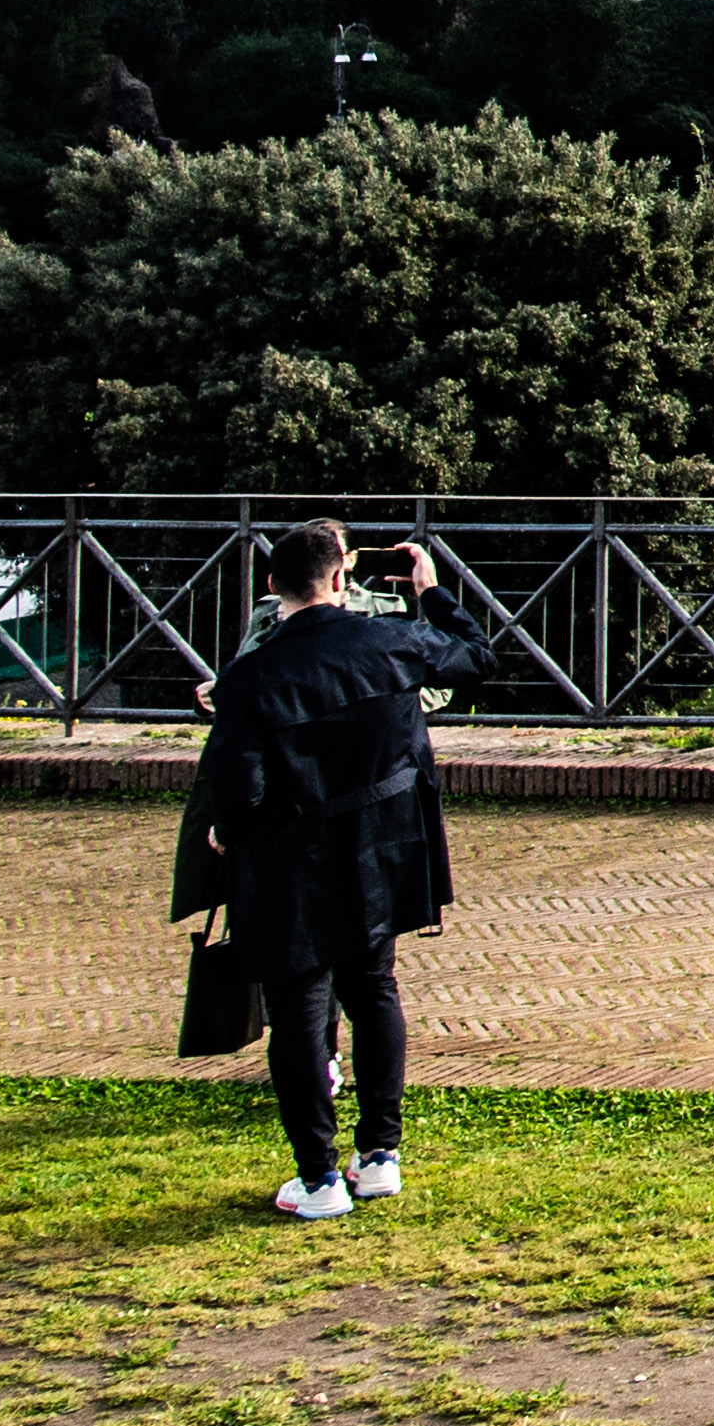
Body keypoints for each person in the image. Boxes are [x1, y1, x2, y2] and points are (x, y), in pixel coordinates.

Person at [174, 514, 490, 1222]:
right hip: (382, 843)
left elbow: (241, 785)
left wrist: (228, 831)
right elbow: (476, 657)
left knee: (299, 1014)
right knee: (374, 988)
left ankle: (318, 1178)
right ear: (342, 577)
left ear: (271, 586)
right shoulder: (390, 638)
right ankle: (379, 1155)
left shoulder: (250, 676)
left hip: (291, 857)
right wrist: (431, 591)